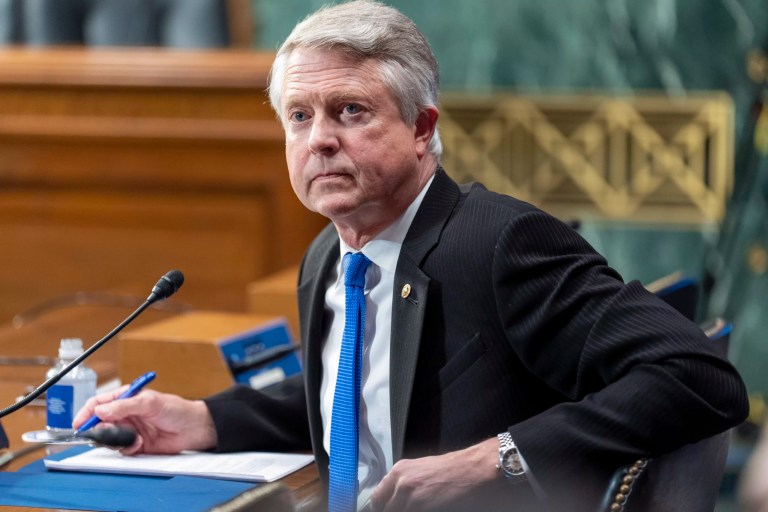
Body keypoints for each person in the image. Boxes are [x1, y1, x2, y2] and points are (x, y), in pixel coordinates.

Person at [74, 2, 749, 511]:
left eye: (350, 111)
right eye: (300, 118)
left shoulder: (498, 243)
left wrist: (499, 458)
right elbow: (366, 386)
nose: (321, 141)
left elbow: (699, 374)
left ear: (423, 128)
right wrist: (206, 419)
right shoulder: (328, 256)